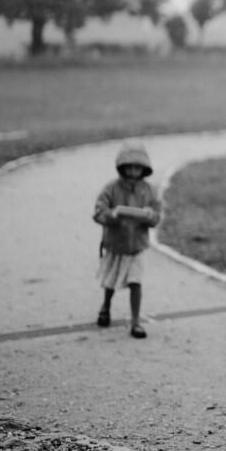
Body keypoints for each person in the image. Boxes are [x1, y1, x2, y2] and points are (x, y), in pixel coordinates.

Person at [92, 141, 163, 339]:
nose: (133, 172)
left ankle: (135, 321)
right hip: (116, 245)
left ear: (144, 169)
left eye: (137, 167)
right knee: (110, 282)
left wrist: (149, 216)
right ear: (122, 167)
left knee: (135, 282)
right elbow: (99, 212)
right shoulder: (111, 189)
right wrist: (112, 215)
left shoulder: (148, 191)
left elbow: (157, 216)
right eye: (129, 167)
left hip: (136, 247)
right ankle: (105, 307)